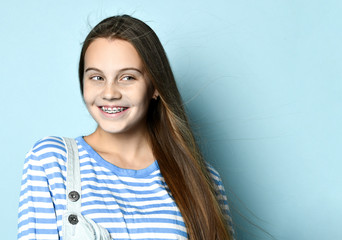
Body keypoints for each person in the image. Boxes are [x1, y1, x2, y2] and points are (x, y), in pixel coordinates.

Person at [17, 15, 233, 240]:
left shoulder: (202, 179)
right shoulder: (51, 161)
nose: (109, 93)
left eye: (127, 77)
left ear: (155, 87)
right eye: (97, 77)